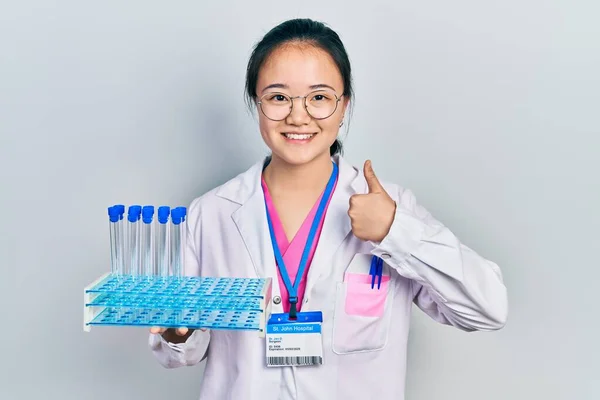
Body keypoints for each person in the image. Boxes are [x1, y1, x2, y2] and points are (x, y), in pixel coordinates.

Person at [148, 18, 508, 400]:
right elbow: (180, 352)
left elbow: (486, 309)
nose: (298, 116)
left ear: (343, 106)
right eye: (278, 97)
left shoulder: (390, 209)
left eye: (319, 97)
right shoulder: (212, 213)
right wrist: (177, 331)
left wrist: (395, 232)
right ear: (257, 103)